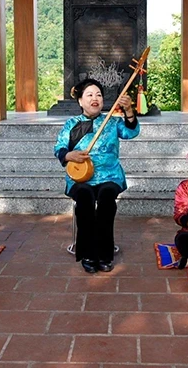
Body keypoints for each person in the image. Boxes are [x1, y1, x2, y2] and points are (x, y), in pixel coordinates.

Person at [54, 78, 140, 273]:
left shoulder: (112, 121)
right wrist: (68, 155)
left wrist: (128, 111)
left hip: (109, 175)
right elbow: (59, 147)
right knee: (84, 198)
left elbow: (131, 132)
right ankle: (88, 253)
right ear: (80, 101)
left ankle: (105, 253)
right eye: (89, 95)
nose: (95, 99)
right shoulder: (71, 124)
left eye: (99, 95)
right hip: (80, 176)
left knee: (107, 197)